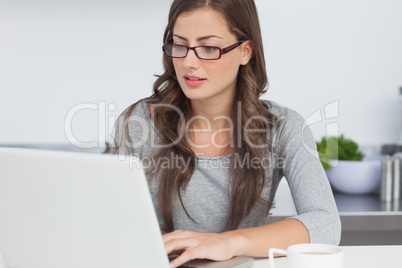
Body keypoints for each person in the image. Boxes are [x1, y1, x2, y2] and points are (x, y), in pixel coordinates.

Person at [112, 0, 341, 267]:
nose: (188, 62)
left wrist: (227, 242)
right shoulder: (138, 123)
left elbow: (325, 223)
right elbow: (111, 225)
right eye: (179, 45)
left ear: (245, 51)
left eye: (208, 48)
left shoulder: (284, 128)